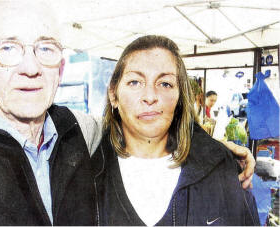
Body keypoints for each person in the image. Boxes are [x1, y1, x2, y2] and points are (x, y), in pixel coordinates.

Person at [0, 2, 255, 225]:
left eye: (45, 49)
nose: (31, 67)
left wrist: (215, 150)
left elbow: (149, 124)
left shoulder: (78, 131)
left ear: (61, 68)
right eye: (8, 49)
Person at [91, 35, 259, 226]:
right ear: (113, 94)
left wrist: (216, 153)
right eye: (135, 82)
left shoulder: (221, 168)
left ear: (180, 97)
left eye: (165, 84)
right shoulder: (85, 174)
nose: (150, 96)